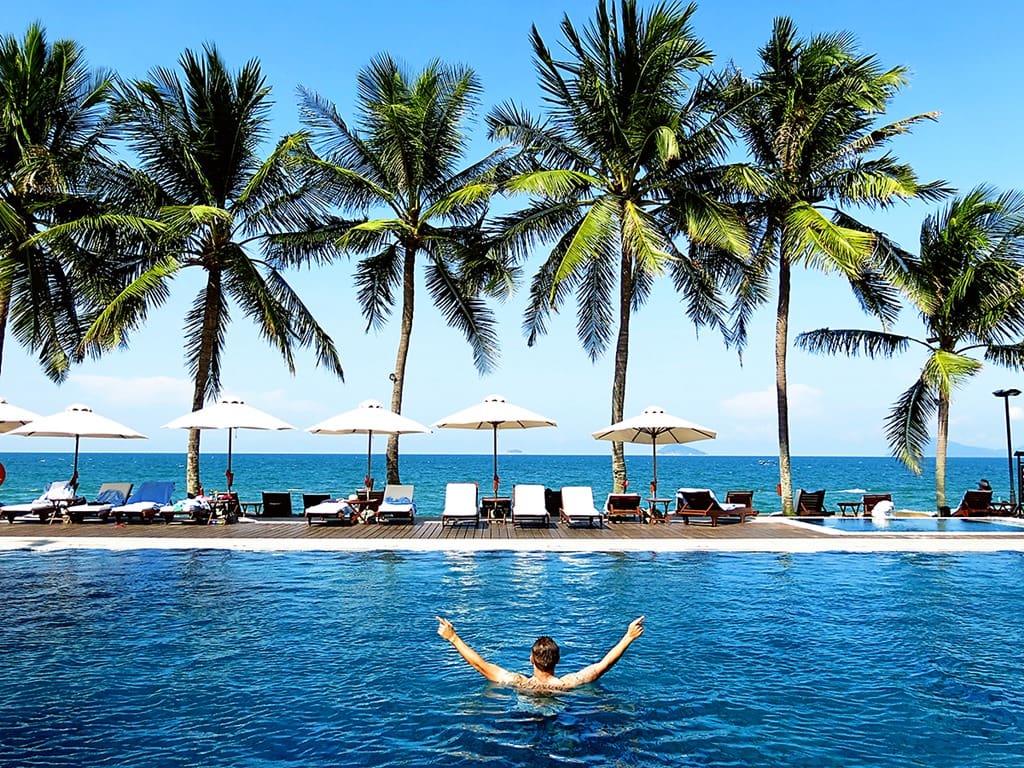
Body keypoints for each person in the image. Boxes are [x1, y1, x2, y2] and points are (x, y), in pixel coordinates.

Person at [436, 615, 644, 691]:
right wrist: (628, 637)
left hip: (523, 725)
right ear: (558, 660)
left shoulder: (518, 682)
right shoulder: (569, 683)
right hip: (563, 722)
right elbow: (604, 665)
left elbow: (480, 665)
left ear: (531, 659)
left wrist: (453, 638)